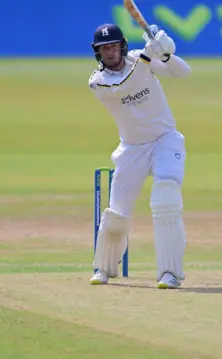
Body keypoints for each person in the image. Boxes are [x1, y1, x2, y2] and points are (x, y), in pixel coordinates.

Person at [87, 23, 192, 289]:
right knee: (117, 214)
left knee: (166, 198)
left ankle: (170, 273)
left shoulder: (138, 58)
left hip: (164, 140)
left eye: (112, 46)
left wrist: (166, 54)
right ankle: (104, 268)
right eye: (104, 48)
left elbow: (183, 73)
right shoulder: (98, 81)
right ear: (97, 52)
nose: (109, 52)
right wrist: (148, 53)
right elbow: (126, 85)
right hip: (132, 148)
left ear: (121, 45)